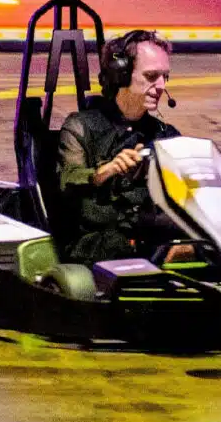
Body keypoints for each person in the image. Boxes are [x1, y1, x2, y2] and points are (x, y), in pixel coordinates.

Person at [56, 29, 183, 264]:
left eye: (165, 77)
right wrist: (107, 170)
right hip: (99, 241)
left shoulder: (165, 135)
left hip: (150, 231)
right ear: (121, 75)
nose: (161, 86)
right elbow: (68, 180)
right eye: (151, 76)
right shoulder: (80, 127)